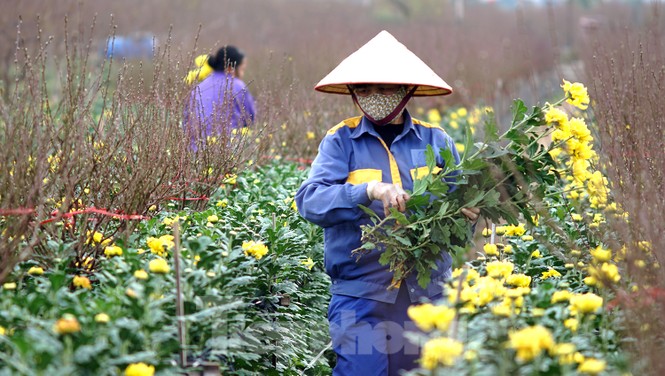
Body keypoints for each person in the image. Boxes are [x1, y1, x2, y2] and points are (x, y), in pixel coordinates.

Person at [294, 31, 480, 375]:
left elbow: (461, 204)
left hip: (428, 295)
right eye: (363, 89)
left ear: (405, 90)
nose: (373, 97)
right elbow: (310, 201)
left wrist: (469, 211)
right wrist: (369, 191)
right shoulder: (341, 141)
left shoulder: (437, 141)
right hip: (361, 294)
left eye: (383, 88)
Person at [183, 45, 256, 150]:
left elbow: (186, 119)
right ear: (231, 69)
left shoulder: (199, 87)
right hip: (225, 149)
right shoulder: (237, 85)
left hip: (194, 149)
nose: (242, 74)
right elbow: (250, 118)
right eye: (242, 69)